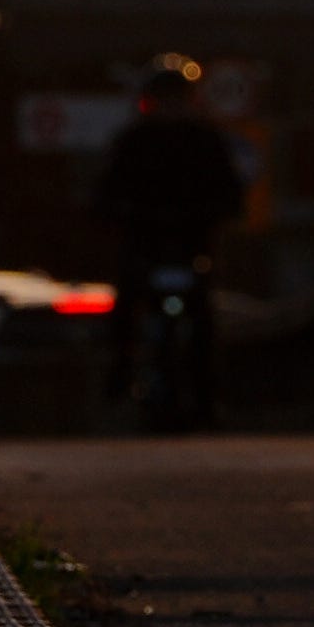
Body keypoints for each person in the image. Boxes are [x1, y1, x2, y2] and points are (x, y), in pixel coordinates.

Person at [93, 59, 242, 432]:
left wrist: (211, 215)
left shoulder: (207, 141)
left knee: (205, 319)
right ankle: (121, 375)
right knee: (126, 306)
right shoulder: (132, 141)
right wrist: (121, 214)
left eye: (177, 99)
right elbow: (105, 195)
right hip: (145, 248)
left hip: (192, 249)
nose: (171, 107)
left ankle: (210, 396)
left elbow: (232, 194)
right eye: (164, 99)